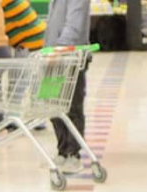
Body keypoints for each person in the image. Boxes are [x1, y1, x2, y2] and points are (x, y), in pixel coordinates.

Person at [45, 0, 90, 174]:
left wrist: (60, 49)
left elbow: (74, 25)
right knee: (52, 106)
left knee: (72, 106)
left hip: (71, 56)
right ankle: (62, 150)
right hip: (52, 56)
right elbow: (52, 26)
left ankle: (74, 154)